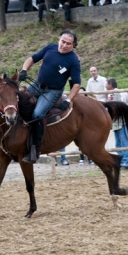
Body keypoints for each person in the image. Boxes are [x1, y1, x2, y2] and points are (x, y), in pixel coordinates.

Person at [18, 30, 82, 163]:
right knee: (18, 103)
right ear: (59, 39)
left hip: (53, 91)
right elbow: (32, 59)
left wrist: (69, 99)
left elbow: (77, 84)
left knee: (37, 114)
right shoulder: (50, 47)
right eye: (63, 41)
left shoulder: (73, 60)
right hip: (37, 84)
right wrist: (24, 70)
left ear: (73, 45)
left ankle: (35, 149)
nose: (64, 45)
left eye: (68, 44)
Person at [106, 78, 128, 169]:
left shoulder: (119, 92)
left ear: (110, 85)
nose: (105, 85)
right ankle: (122, 161)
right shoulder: (109, 94)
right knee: (118, 142)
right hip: (115, 121)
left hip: (122, 120)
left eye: (107, 84)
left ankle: (126, 162)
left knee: (123, 141)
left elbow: (127, 96)